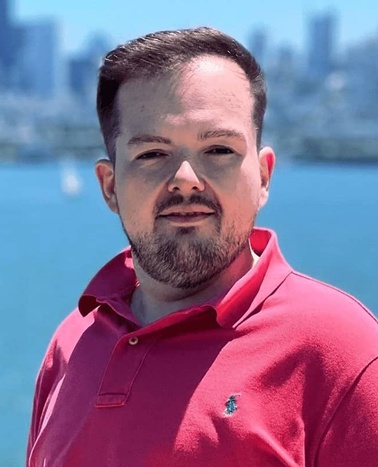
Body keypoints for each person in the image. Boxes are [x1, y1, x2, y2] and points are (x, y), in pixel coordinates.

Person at [27, 27, 378, 466]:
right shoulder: (72, 343)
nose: (186, 178)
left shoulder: (343, 350)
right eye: (153, 154)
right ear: (110, 186)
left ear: (264, 176)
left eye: (219, 149)